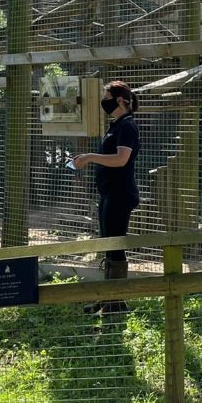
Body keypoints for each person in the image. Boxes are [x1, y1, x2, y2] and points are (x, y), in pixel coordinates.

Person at [73, 80, 140, 313]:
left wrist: (90, 157)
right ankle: (108, 299)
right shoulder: (116, 125)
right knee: (108, 245)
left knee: (115, 246)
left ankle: (116, 301)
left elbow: (121, 159)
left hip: (120, 194)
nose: (104, 101)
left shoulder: (127, 126)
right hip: (109, 193)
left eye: (106, 97)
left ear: (120, 100)